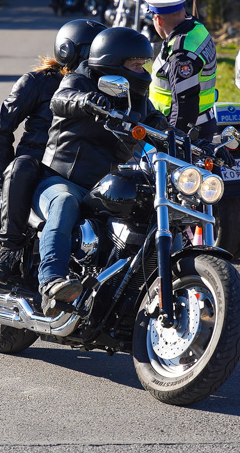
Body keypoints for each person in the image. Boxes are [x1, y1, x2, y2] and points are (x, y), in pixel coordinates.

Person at [34, 27, 169, 316]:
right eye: (135, 64)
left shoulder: (136, 99)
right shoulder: (79, 81)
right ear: (113, 62)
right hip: (59, 180)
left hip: (103, 189)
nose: (142, 70)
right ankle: (51, 282)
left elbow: (159, 123)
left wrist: (196, 143)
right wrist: (85, 102)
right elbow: (62, 99)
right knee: (65, 203)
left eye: (143, 64)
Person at [0, 20, 107, 284]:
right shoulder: (38, 82)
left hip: (79, 173)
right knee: (22, 166)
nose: (96, 59)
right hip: (36, 172)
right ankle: (10, 248)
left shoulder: (104, 89)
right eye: (90, 51)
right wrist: (4, 176)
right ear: (69, 51)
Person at [139, 0, 219, 140]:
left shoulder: (181, 55)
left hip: (187, 133)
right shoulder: (195, 27)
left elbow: (184, 106)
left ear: (158, 19)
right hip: (203, 123)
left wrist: (173, 142)